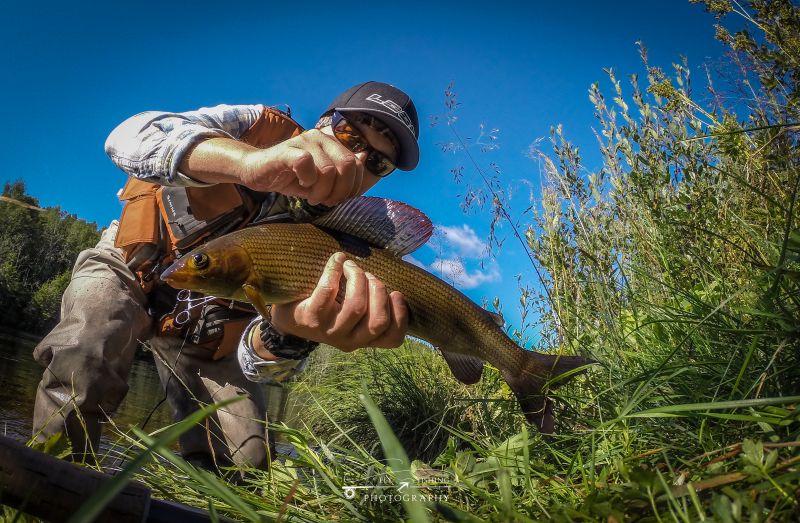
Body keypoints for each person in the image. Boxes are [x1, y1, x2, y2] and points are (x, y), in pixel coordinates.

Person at [32, 81, 420, 470]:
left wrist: (290, 334)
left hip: (209, 333)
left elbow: (259, 366)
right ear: (322, 123)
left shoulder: (348, 236)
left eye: (377, 163)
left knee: (247, 459)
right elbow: (128, 136)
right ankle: (46, 479)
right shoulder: (257, 127)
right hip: (130, 267)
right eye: (350, 134)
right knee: (86, 344)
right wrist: (249, 164)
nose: (357, 159)